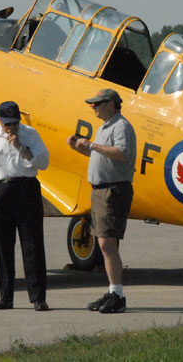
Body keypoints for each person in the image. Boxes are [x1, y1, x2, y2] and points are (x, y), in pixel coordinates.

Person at [67, 88, 136, 314]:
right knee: (105, 244)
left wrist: (93, 145)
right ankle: (113, 292)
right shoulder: (105, 127)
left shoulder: (121, 126)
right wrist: (83, 148)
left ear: (111, 104)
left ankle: (118, 295)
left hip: (113, 191)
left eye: (97, 103)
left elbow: (122, 153)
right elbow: (103, 154)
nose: (93, 107)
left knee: (107, 244)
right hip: (100, 191)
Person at [0, 101, 50, 311]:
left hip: (26, 190)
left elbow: (42, 162)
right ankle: (5, 297)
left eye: (15, 123)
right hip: (1, 191)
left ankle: (38, 298)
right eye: (7, 124)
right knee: (3, 247)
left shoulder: (30, 134)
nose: (11, 128)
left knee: (32, 246)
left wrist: (20, 146)